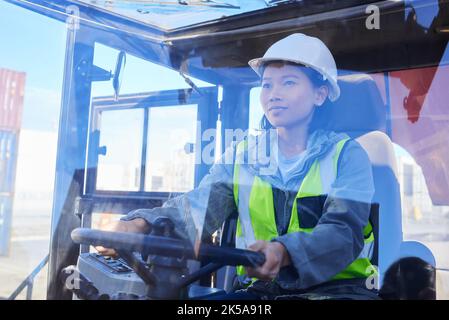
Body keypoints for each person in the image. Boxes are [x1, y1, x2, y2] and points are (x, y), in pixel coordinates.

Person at [97, 33, 378, 300]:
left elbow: (342, 233)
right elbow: (197, 208)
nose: (273, 94)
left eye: (288, 82)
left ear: (320, 94)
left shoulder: (347, 155)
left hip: (338, 291)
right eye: (267, 84)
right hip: (263, 292)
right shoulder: (244, 155)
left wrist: (283, 252)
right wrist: (140, 223)